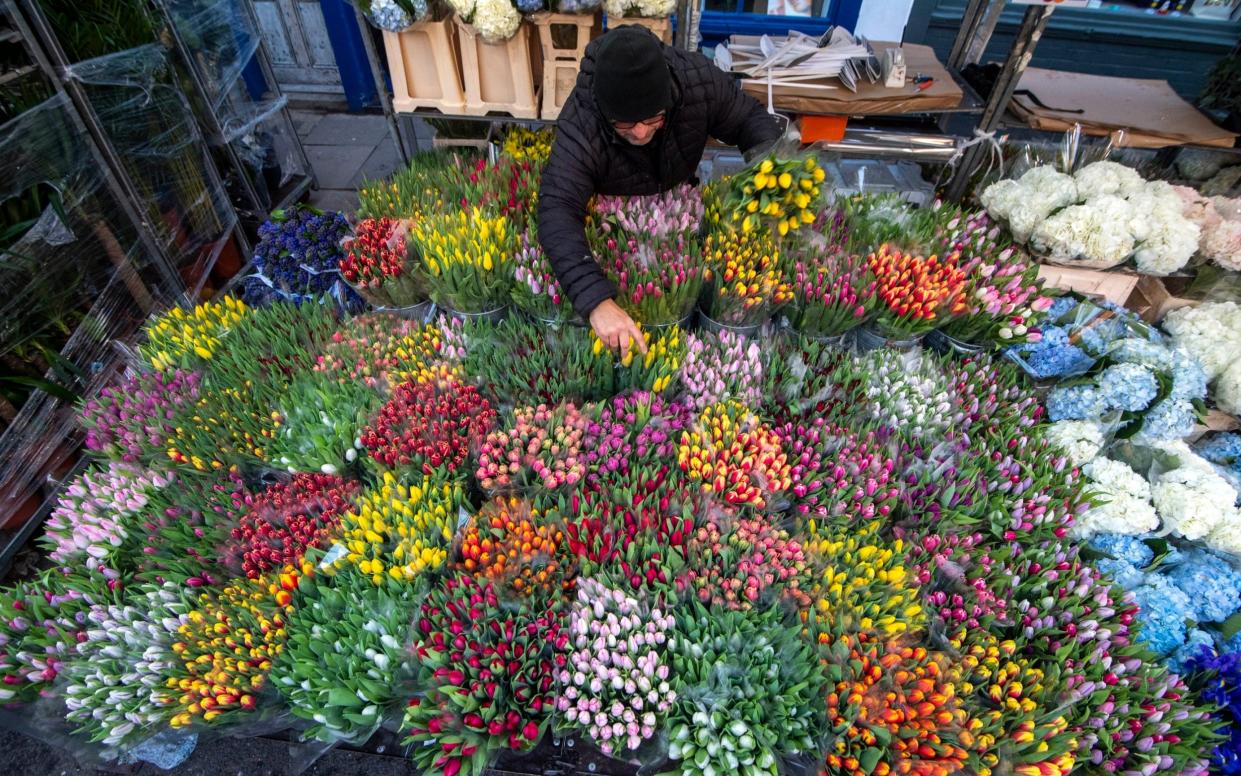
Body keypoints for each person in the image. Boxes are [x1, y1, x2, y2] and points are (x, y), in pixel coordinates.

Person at [537, 25, 783, 355]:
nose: (640, 132)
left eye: (653, 118)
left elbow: (747, 119)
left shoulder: (697, 80)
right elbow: (557, 208)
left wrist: (772, 167)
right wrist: (595, 301)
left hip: (677, 215)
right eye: (623, 123)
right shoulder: (581, 121)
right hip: (615, 231)